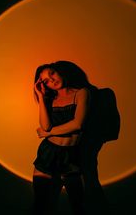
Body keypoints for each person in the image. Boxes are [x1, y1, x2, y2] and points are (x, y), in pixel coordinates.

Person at [32, 61, 93, 215]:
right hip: (48, 153)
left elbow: (78, 124)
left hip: (71, 155)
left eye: (52, 73)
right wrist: (41, 96)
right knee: (41, 205)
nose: (51, 80)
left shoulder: (82, 93)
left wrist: (49, 133)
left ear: (60, 71)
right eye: (45, 80)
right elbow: (45, 126)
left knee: (78, 206)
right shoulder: (49, 99)